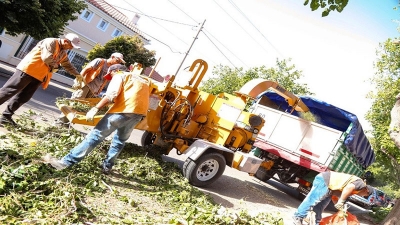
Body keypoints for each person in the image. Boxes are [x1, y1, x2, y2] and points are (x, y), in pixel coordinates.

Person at [42, 63, 150, 174]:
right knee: (120, 141)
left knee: (95, 136)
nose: (111, 78)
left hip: (122, 111)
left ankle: (65, 162)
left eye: (110, 74)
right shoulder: (143, 80)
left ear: (116, 70)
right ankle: (107, 167)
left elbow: (111, 95)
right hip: (138, 114)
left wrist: (95, 108)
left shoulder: (119, 75)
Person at [0, 33, 83, 127]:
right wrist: (56, 66)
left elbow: (67, 65)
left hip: (39, 76)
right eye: (71, 45)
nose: (71, 48)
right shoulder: (51, 42)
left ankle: (6, 116)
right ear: (65, 41)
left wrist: (78, 75)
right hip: (28, 70)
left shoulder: (63, 52)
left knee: (23, 97)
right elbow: (47, 58)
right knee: (8, 91)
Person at [55, 52, 126, 126]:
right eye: (117, 60)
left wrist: (100, 89)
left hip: (94, 89)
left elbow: (106, 80)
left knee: (80, 107)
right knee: (74, 102)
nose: (118, 62)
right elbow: (86, 69)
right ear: (112, 56)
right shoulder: (100, 61)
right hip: (87, 85)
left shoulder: (112, 68)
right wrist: (79, 80)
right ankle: (60, 121)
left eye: (120, 62)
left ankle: (67, 123)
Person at [292, 171, 373, 225]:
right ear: (366, 190)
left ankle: (316, 222)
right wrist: (341, 201)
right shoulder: (361, 185)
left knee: (321, 206)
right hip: (325, 180)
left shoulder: (355, 190)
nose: (362, 196)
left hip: (331, 188)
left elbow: (335, 196)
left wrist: (339, 207)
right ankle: (298, 216)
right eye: (365, 194)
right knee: (312, 200)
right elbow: (348, 188)